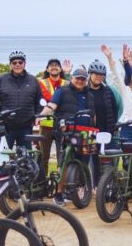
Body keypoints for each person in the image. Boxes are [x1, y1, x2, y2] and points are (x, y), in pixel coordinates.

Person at [39, 67, 97, 204]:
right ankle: (58, 193)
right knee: (64, 162)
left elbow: (93, 116)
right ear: (72, 78)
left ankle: (78, 190)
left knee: (83, 162)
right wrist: (41, 115)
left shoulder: (89, 95)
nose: (80, 81)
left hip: (85, 134)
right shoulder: (62, 91)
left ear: (86, 81)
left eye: (83, 79)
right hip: (66, 133)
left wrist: (95, 130)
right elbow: (52, 105)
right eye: (77, 78)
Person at [0, 51, 42, 150]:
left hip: (26, 126)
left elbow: (39, 101)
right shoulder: (2, 80)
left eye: (20, 62)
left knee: (26, 161)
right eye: (14, 63)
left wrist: (37, 115)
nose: (17, 65)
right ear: (10, 65)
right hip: (6, 127)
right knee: (3, 157)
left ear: (24, 64)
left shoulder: (33, 80)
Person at [37, 58, 72, 177]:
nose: (54, 67)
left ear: (60, 68)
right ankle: (42, 183)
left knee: (61, 156)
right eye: (51, 65)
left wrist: (68, 74)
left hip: (61, 124)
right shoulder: (41, 83)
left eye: (57, 65)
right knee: (43, 156)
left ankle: (60, 184)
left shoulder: (66, 83)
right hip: (46, 124)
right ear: (47, 69)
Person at [86, 60, 122, 134]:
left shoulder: (109, 91)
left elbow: (115, 111)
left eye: (101, 75)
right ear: (90, 74)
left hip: (108, 133)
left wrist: (114, 129)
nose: (98, 77)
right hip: (90, 134)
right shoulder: (84, 92)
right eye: (96, 74)